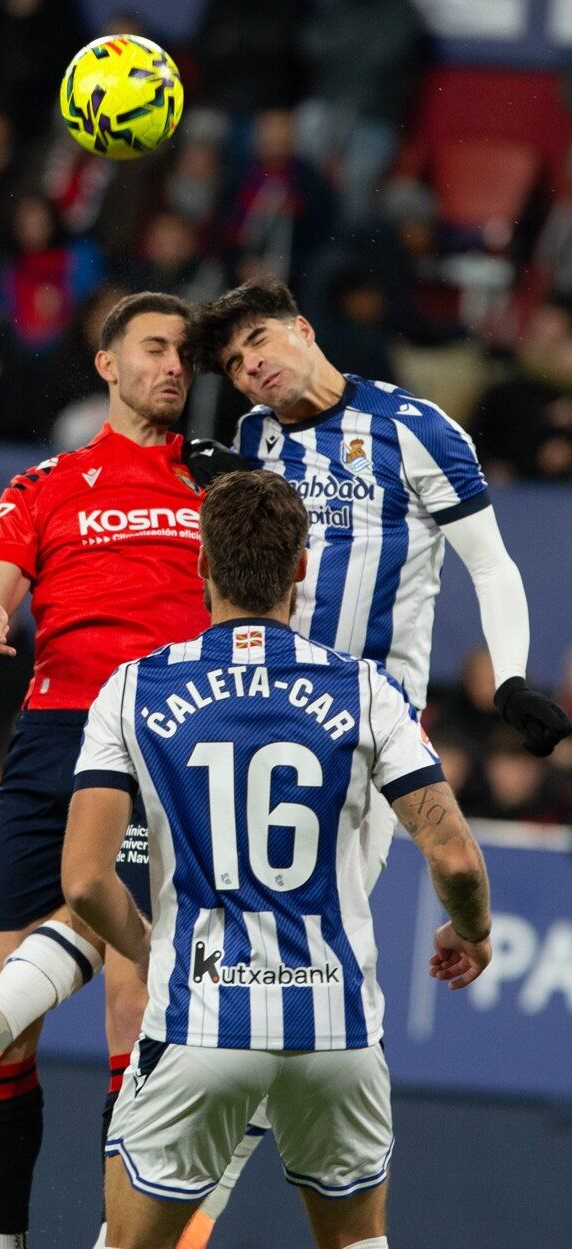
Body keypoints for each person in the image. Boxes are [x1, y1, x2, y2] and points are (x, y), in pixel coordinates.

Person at [182, 276, 572, 1245]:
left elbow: (490, 564)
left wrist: (514, 676)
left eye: (260, 342)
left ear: (306, 329)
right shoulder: (260, 445)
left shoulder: (417, 428)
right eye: (233, 364)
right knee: (232, 936)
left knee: (303, 937)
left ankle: (221, 1178)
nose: (252, 367)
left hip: (371, 730)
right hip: (264, 716)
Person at [62, 469, 493, 1249]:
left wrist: (152, 949)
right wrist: (472, 928)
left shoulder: (133, 690)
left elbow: (85, 879)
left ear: (201, 565)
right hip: (335, 1030)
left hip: (200, 1023)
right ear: (301, 565)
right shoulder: (367, 691)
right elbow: (456, 859)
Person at [0, 292, 239, 1249]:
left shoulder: (216, 483)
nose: (174, 366)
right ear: (107, 364)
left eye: (184, 355)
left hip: (154, 735)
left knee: (129, 997)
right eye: (155, 349)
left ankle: (118, 1236)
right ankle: (3, 1243)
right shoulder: (45, 482)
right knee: (8, 1029)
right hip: (47, 735)